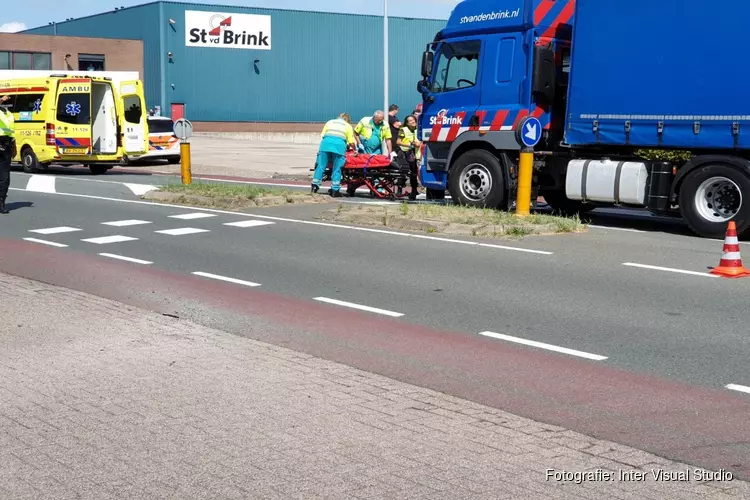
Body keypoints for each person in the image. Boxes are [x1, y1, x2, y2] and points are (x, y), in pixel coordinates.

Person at [311, 113, 355, 197]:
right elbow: (351, 142)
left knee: (320, 166)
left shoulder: (330, 122)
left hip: (325, 145)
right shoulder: (348, 126)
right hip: (339, 147)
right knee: (337, 169)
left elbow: (323, 135)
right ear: (347, 120)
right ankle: (335, 190)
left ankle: (314, 186)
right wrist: (355, 149)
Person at [396, 114, 422, 201]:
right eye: (410, 121)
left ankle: (414, 191)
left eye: (413, 120)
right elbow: (398, 142)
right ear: (407, 123)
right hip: (405, 153)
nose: (413, 121)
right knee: (403, 171)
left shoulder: (419, 129)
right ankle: (399, 189)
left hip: (415, 154)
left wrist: (419, 144)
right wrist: (409, 144)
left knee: (414, 174)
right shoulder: (403, 130)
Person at [0, 95, 16, 214]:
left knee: (4, 177)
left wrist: (14, 145)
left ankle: (1, 203)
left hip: (6, 144)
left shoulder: (9, 114)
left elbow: (11, 130)